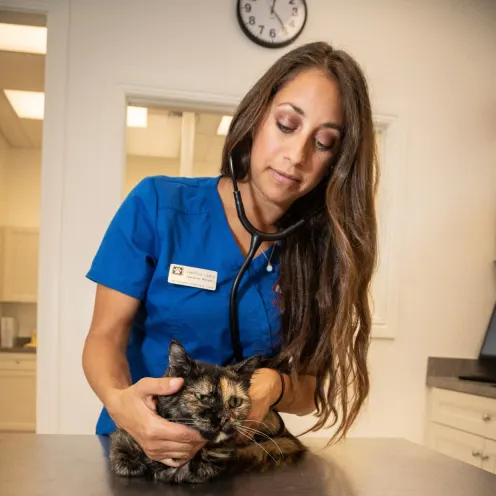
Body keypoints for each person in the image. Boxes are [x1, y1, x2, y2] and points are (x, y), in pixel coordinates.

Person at [82, 41, 378, 469]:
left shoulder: (320, 253)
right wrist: (121, 404)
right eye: (287, 124)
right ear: (258, 117)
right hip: (145, 450)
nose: (296, 156)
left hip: (244, 460)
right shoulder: (158, 205)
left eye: (324, 142)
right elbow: (103, 337)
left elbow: (310, 391)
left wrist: (275, 385)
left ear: (338, 162)